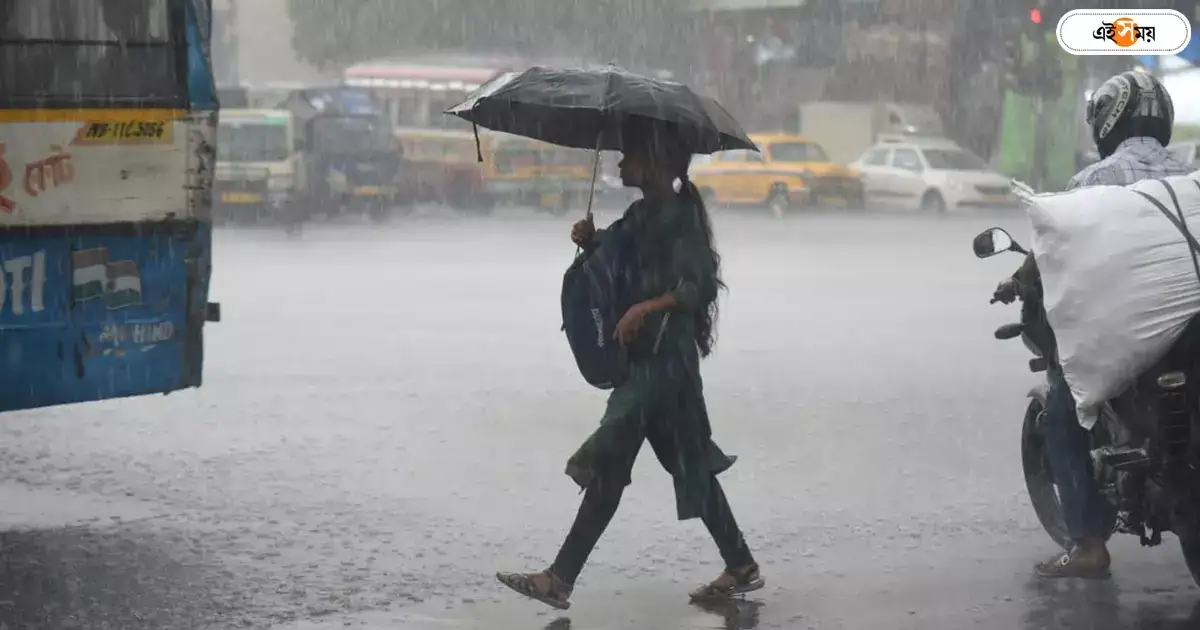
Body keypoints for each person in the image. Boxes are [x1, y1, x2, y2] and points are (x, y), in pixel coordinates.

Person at [495, 136, 763, 610]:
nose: (621, 160)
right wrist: (590, 239)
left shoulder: (681, 219)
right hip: (646, 359)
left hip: (668, 364)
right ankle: (739, 564)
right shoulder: (642, 215)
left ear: (656, 163)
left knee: (617, 442)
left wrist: (646, 306)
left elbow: (696, 287)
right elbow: (617, 247)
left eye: (631, 152)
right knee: (680, 465)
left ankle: (560, 573)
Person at [993, 70, 1190, 579]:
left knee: (1062, 410)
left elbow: (1052, 248)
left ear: (1108, 120)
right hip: (1192, 332)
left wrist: (1018, 279)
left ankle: (1088, 545)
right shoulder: (1190, 172)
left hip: (1131, 337)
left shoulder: (1092, 182)